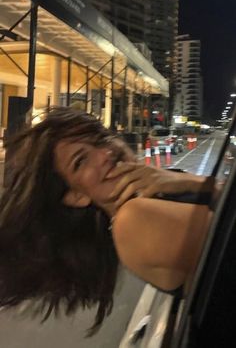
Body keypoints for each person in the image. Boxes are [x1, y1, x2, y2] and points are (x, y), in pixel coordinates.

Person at [0, 107, 214, 335]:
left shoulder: (152, 197)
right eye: (81, 161)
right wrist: (192, 183)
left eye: (100, 139)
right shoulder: (134, 220)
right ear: (77, 196)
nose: (106, 154)